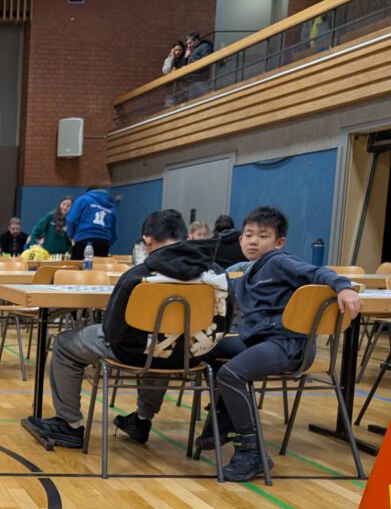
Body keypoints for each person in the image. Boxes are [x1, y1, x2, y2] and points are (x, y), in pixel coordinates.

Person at [28, 210, 215, 447]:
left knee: (65, 344)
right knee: (164, 346)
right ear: (186, 236)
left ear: (147, 240)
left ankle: (69, 424)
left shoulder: (137, 276)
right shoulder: (213, 274)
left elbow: (113, 330)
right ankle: (142, 419)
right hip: (187, 353)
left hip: (135, 351)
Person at [201, 206, 362, 481]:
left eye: (262, 236)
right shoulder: (244, 272)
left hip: (289, 344)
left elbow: (317, 272)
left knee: (231, 375)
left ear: (278, 242)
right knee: (206, 350)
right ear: (240, 240)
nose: (253, 241)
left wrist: (343, 286)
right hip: (260, 342)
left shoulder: (279, 261)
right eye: (248, 235)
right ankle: (225, 416)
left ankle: (251, 453)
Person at [65, 187, 117, 259]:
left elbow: (71, 220)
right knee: (99, 269)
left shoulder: (84, 199)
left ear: (89, 191)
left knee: (77, 268)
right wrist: (106, 243)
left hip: (83, 240)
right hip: (103, 244)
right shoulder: (111, 206)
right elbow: (114, 234)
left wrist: (71, 236)